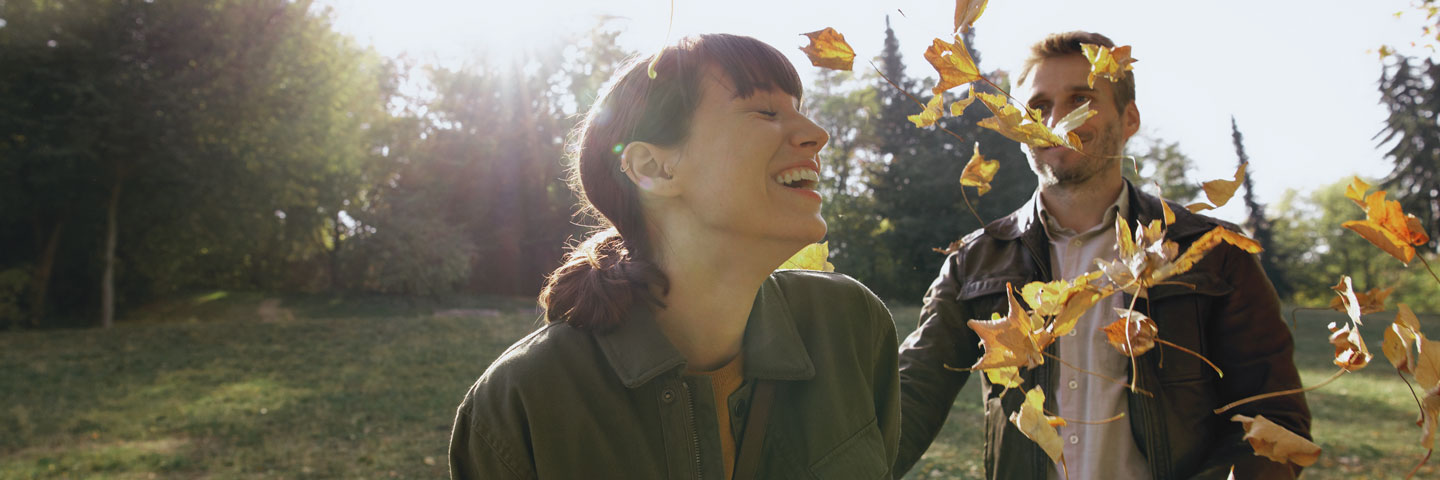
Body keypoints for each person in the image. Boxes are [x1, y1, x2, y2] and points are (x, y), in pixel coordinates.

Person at [448, 34, 900, 480]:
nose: (817, 135)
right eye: (766, 112)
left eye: (799, 111)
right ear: (652, 168)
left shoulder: (850, 324)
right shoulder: (521, 402)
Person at [893, 31, 1311, 479]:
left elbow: (1275, 419)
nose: (1058, 120)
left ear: (1129, 119)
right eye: (1038, 107)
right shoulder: (974, 263)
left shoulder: (1212, 253)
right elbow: (907, 404)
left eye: (1080, 100)